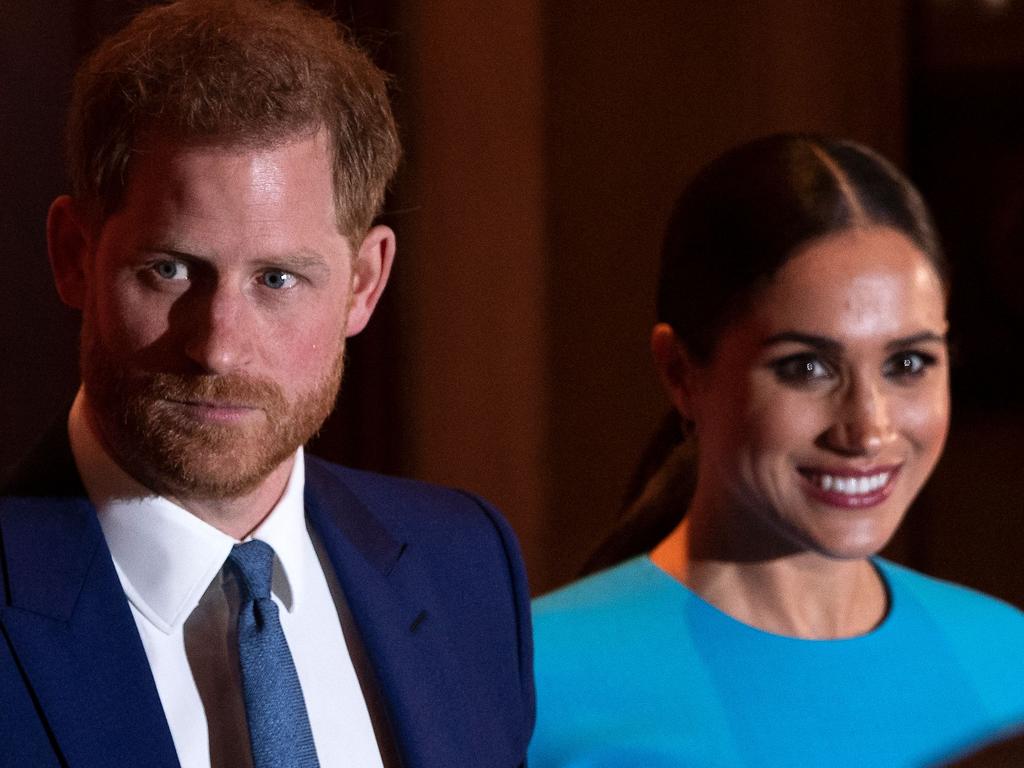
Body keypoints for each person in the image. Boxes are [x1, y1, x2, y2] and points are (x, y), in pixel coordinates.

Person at [0, 2, 533, 767]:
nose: (218, 346)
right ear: (74, 254)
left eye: (278, 278)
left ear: (365, 283)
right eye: (170, 269)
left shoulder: (466, 567)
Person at [529, 134, 1024, 767]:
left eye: (908, 362)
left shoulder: (1006, 664)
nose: (868, 430)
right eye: (807, 367)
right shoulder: (530, 681)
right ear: (681, 372)